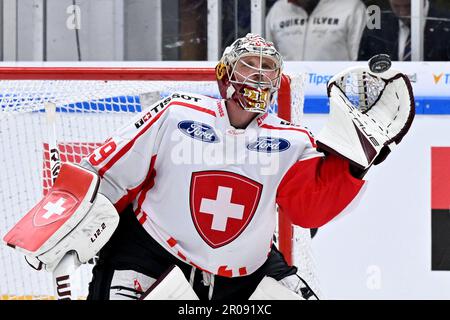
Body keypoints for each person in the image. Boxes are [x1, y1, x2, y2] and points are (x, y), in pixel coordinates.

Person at [4, 34, 414, 300]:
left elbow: (309, 210)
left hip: (243, 269)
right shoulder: (175, 114)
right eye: (247, 66)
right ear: (224, 77)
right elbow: (106, 172)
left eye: (266, 68)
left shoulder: (293, 141)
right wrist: (60, 227)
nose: (257, 75)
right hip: (153, 250)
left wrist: (355, 159)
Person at [265, 0, 367, 60]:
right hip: (287, 91)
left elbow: (357, 61)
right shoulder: (278, 9)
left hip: (335, 91)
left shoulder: (351, 7)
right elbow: (266, 58)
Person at [358, 0, 450, 61]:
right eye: (396, 7)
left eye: (408, 6)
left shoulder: (445, 23)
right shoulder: (378, 25)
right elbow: (364, 64)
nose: (402, 13)